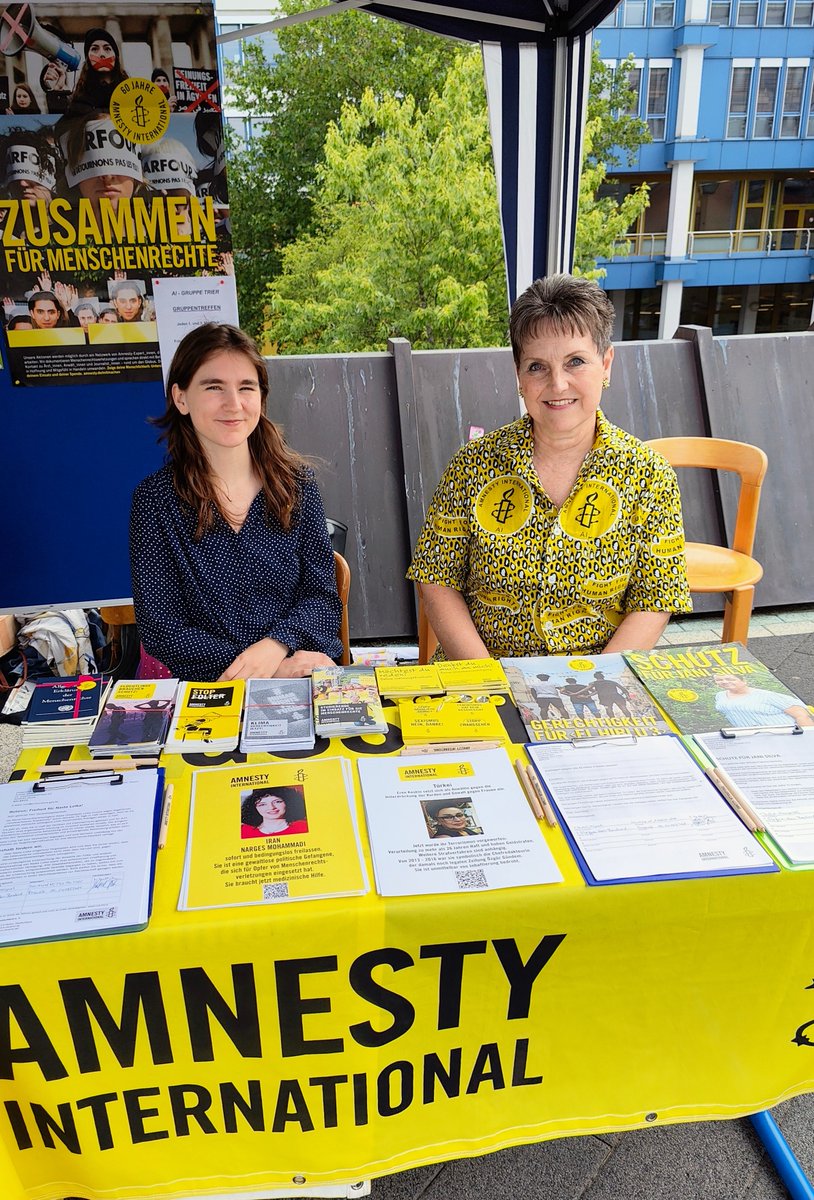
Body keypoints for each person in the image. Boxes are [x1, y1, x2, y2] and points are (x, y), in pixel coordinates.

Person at [408, 274, 692, 659]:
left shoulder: (649, 476)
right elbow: (436, 580)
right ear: (518, 376)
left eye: (575, 361)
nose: (558, 384)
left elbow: (655, 599)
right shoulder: (472, 466)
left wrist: (592, 686)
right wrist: (490, 678)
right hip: (484, 679)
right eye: (537, 366)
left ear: (606, 364)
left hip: (599, 686)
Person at [130, 322, 343, 681]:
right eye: (214, 387)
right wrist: (265, 670)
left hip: (299, 676)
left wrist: (275, 647)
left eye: (246, 387)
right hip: (208, 688)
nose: (234, 404)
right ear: (181, 397)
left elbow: (322, 600)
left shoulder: (298, 487)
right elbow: (162, 627)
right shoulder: (154, 502)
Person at [713, 674, 814, 728]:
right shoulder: (720, 695)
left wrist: (807, 739)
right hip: (751, 738)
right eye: (719, 680)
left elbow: (801, 715)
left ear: (744, 681)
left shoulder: (766, 696)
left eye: (730, 679)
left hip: (784, 735)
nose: (724, 682)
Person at [68, 29, 128, 115]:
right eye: (95, 49)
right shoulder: (79, 98)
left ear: (116, 56)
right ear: (88, 58)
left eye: (107, 49)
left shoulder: (130, 92)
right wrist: (58, 92)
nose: (102, 54)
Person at [240, 786, 308, 838]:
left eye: (277, 802)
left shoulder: (303, 827)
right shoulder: (243, 830)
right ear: (254, 808)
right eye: (262, 804)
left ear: (288, 803)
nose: (271, 807)